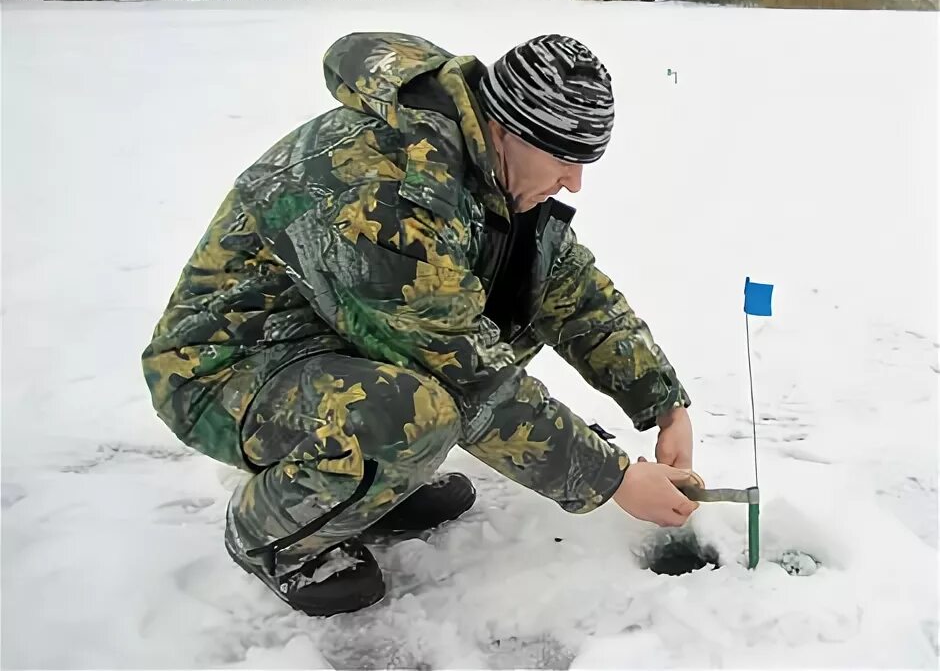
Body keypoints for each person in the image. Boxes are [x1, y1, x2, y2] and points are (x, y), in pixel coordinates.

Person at [142, 32, 699, 618]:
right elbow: (471, 377)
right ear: (511, 129)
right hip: (222, 370)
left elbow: (570, 289)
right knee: (417, 413)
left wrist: (664, 403)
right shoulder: (387, 192)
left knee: (504, 317)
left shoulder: (484, 169)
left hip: (329, 343)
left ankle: (371, 485)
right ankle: (273, 536)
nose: (574, 182)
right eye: (565, 159)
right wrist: (613, 480)